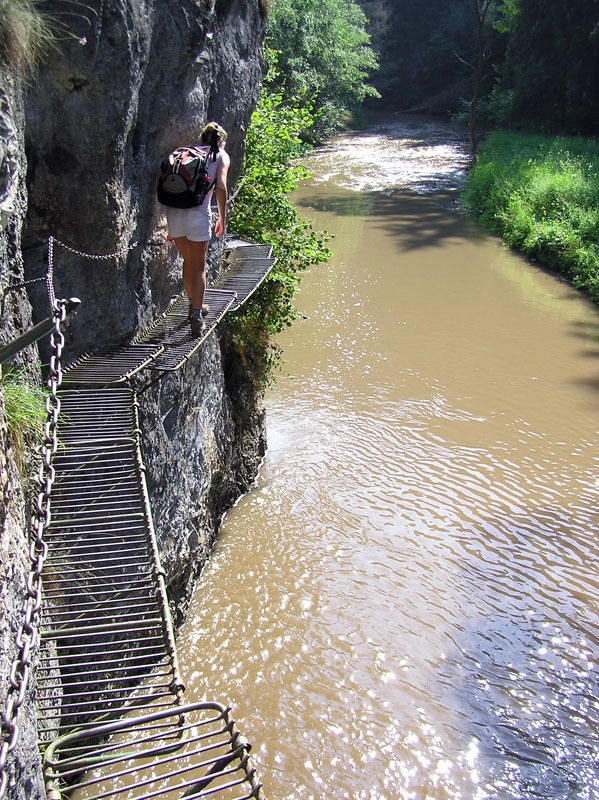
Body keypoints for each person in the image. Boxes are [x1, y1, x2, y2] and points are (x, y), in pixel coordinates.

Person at [164, 121, 230, 336]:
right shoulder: (220, 155)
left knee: (188, 261)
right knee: (199, 267)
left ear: (201, 137)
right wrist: (222, 217)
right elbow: (220, 187)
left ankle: (194, 304)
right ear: (221, 141)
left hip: (174, 214)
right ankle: (196, 316)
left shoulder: (182, 152)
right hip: (198, 215)